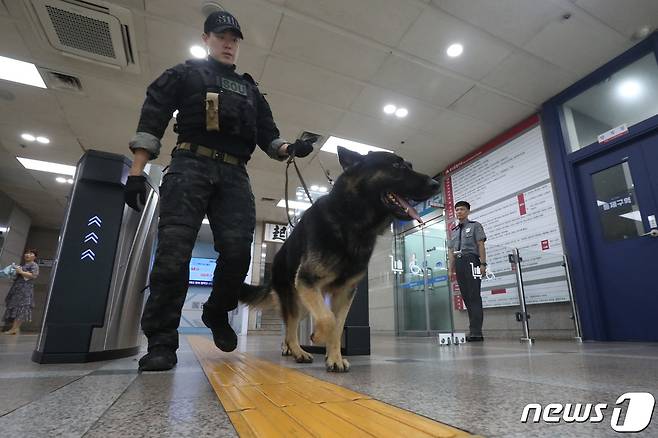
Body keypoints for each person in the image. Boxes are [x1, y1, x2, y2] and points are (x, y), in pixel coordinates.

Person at [125, 10, 313, 371]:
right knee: (172, 257)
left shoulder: (251, 91)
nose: (229, 44)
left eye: (234, 39)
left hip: (234, 174)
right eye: (221, 36)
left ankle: (215, 310)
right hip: (188, 166)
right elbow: (153, 117)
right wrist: (136, 172)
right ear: (206, 39)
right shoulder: (184, 74)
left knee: (240, 251)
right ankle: (162, 343)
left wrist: (291, 149)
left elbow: (270, 138)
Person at [448, 201, 487, 342]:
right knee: (466, 296)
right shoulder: (454, 230)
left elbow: (480, 245)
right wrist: (450, 269)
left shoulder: (475, 226)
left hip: (472, 260)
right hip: (459, 262)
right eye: (457, 210)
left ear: (468, 211)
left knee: (474, 295)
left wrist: (483, 264)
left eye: (462, 209)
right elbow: (451, 251)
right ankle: (473, 330)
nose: (459, 212)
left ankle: (477, 332)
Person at [2, 249, 39, 335]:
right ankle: (15, 328)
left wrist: (21, 272)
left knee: (21, 309)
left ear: (34, 256)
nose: (27, 255)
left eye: (30, 253)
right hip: (17, 289)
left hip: (25, 290)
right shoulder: (23, 265)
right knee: (16, 308)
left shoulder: (34, 265)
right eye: (26, 253)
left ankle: (14, 328)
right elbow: (18, 277)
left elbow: (34, 275)